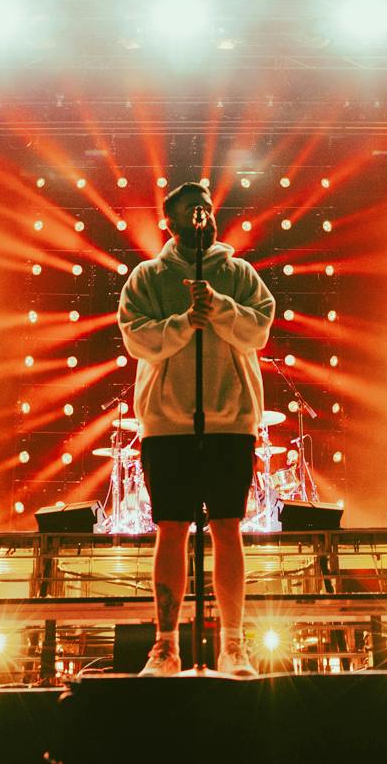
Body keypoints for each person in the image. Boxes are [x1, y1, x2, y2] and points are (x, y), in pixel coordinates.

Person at [117, 179, 275, 677]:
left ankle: (233, 644)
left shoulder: (240, 274)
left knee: (228, 528)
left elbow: (260, 329)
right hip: (168, 424)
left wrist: (220, 307)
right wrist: (186, 321)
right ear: (171, 220)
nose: (200, 216)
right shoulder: (148, 276)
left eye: (205, 208)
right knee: (171, 528)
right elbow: (135, 338)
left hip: (230, 421)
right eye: (190, 210)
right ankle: (166, 646)